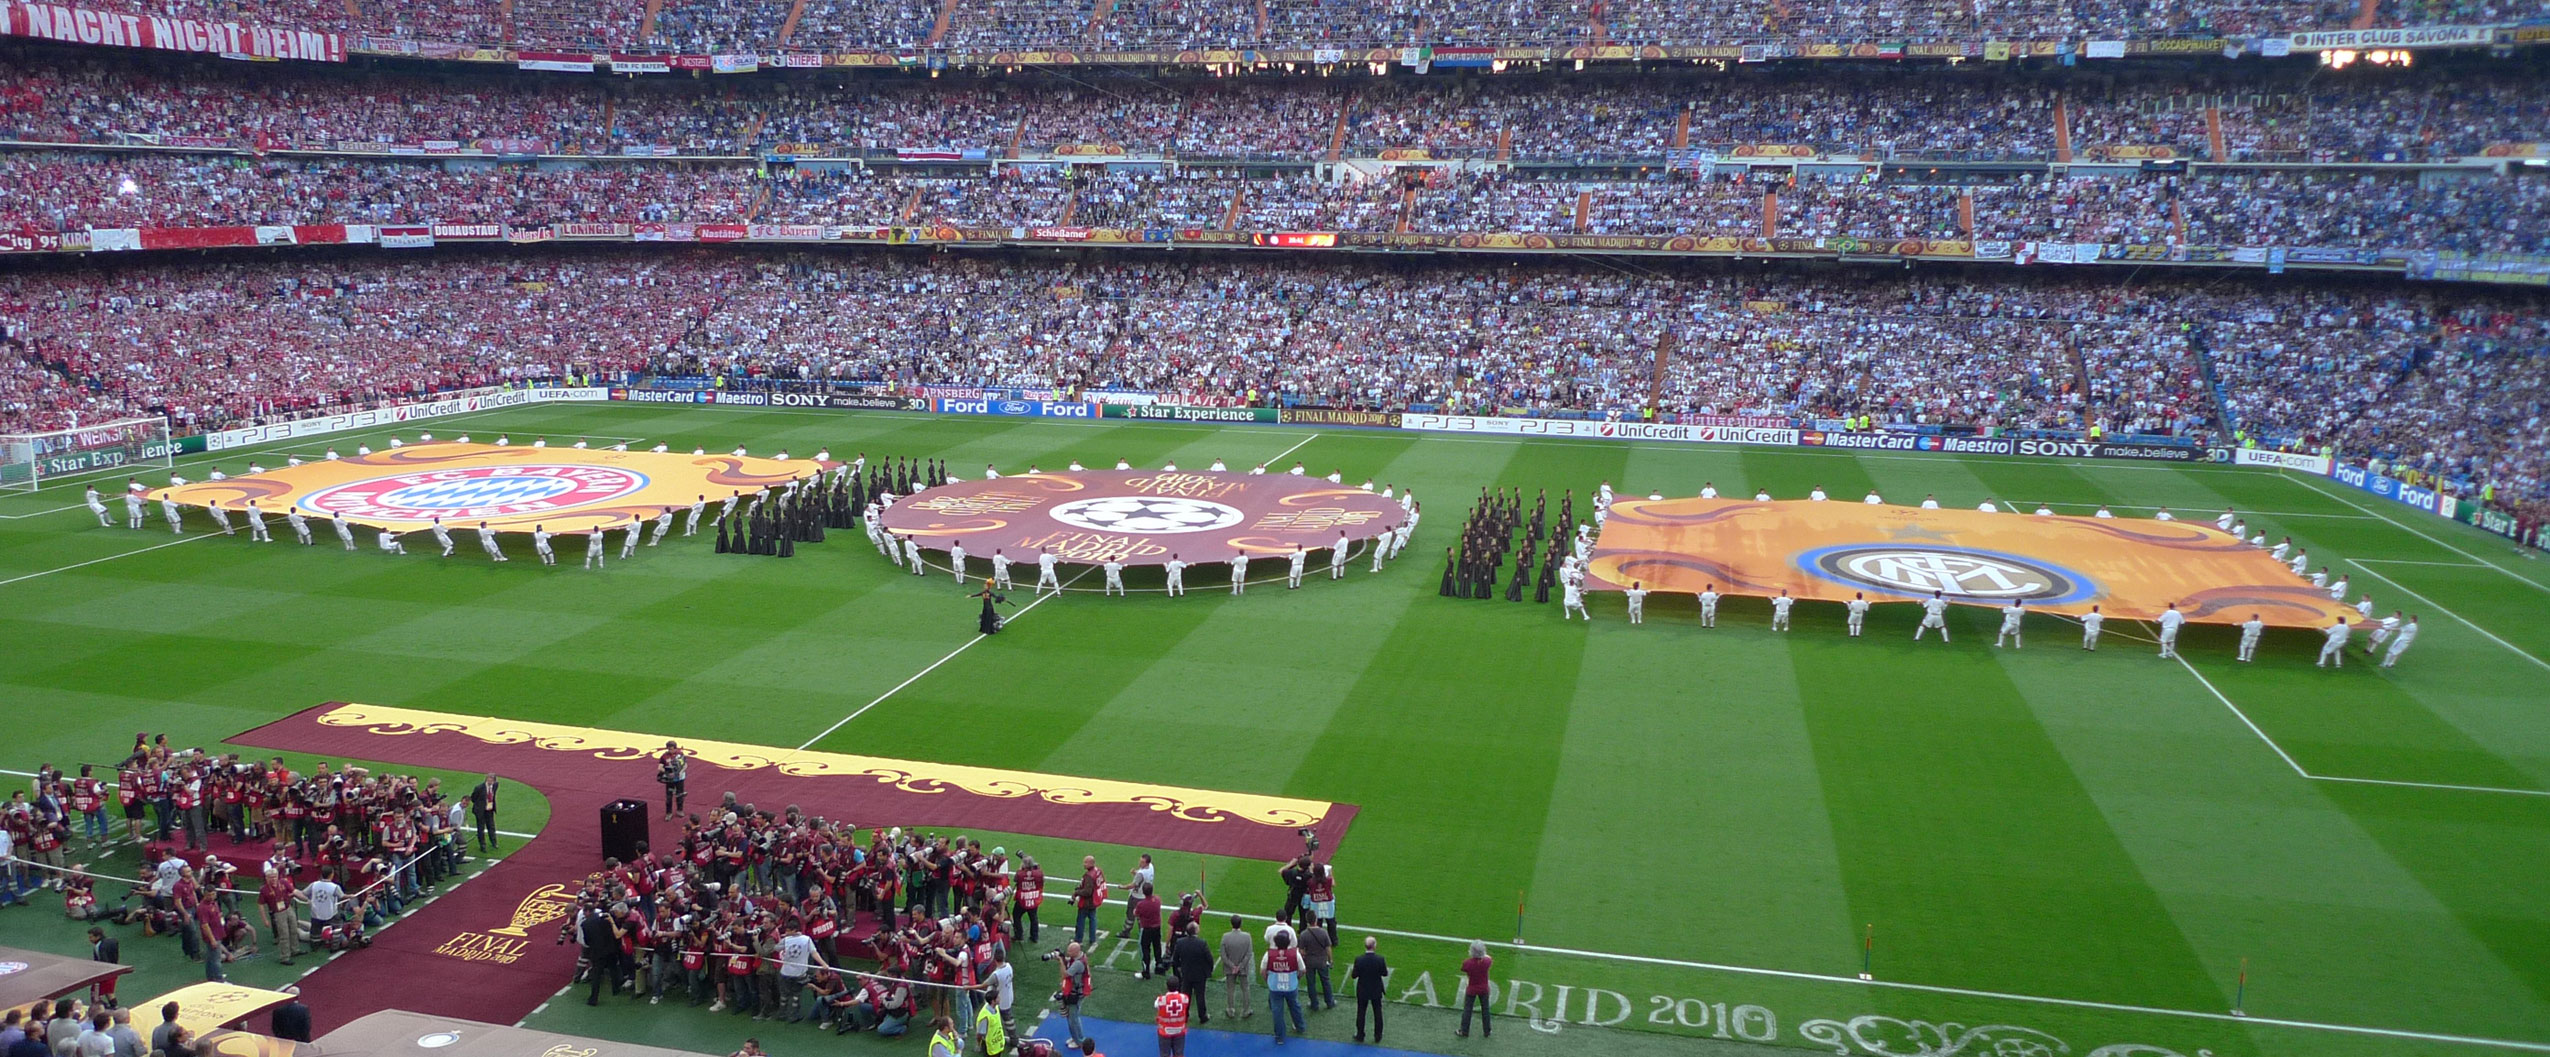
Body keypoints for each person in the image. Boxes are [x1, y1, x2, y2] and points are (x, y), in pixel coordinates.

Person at [1263, 932, 1304, 1044]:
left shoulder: (1269, 954)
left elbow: (1263, 970)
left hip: (1275, 987)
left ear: (1275, 942)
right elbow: (1302, 970)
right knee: (1295, 1006)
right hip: (1291, 985)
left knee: (1277, 1012)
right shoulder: (1295, 954)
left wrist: (1268, 980)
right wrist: (1297, 978)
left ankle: (1279, 1037)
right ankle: (1300, 1027)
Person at [1171, 922, 1213, 1024]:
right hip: (1199, 974)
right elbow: (1209, 959)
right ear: (1195, 931)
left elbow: (1175, 959)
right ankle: (1202, 1016)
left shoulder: (1180, 942)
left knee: (1185, 995)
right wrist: (1208, 971)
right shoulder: (1202, 943)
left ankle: (1184, 1015)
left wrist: (1180, 969)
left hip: (1186, 973)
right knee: (1200, 996)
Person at [1348, 936, 1387, 1043]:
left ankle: (1360, 1035)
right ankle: (1377, 1035)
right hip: (1376, 989)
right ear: (1374, 946)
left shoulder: (1359, 959)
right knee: (1377, 1012)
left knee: (1361, 1012)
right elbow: (1385, 973)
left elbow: (1354, 975)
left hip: (1363, 990)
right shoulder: (1380, 959)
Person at [1218, 917, 1253, 1021]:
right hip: (1242, 968)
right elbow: (1248, 953)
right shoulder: (1247, 937)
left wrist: (1232, 966)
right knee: (1245, 988)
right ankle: (1246, 1010)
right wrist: (1240, 966)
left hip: (1230, 969)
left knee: (1230, 988)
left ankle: (1230, 1009)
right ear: (1241, 924)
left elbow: (1223, 955)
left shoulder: (1225, 936)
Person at [1054, 943, 1091, 1042]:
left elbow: (1065, 974)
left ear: (1076, 952)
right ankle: (1076, 1037)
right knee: (1073, 1016)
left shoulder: (1078, 963)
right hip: (1077, 990)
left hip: (1076, 993)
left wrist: (1061, 962)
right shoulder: (1080, 956)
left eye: (1070, 951)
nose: (1068, 953)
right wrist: (1062, 958)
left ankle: (1079, 1040)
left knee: (1073, 1018)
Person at [1457, 940, 1493, 1038]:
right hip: (1484, 989)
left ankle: (1464, 1031)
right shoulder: (1487, 962)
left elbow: (1463, 968)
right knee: (1485, 1010)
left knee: (1467, 1010)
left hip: (1472, 989)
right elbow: (1489, 958)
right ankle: (1487, 1031)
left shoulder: (1467, 963)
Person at [1154, 976, 1191, 1057]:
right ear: (1178, 986)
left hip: (1164, 1032)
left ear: (1166, 986)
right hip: (1179, 1032)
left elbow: (1156, 1005)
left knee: (1164, 1054)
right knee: (1179, 1054)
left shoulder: (1161, 1000)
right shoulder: (1184, 998)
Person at [468, 775, 500, 852]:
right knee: (481, 828)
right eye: (488, 779)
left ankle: (494, 842)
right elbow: (473, 798)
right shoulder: (479, 788)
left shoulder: (495, 785)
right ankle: (482, 845)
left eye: (492, 780)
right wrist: (480, 805)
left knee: (491, 826)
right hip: (480, 811)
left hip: (489, 810)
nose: (490, 781)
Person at [657, 742, 688, 819]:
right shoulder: (664, 756)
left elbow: (685, 765)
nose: (669, 750)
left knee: (680, 795)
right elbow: (660, 767)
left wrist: (681, 772)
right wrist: (667, 772)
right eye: (668, 748)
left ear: (675, 748)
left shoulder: (680, 754)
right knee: (669, 796)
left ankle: (679, 810)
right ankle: (668, 813)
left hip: (680, 778)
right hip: (670, 780)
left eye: (671, 749)